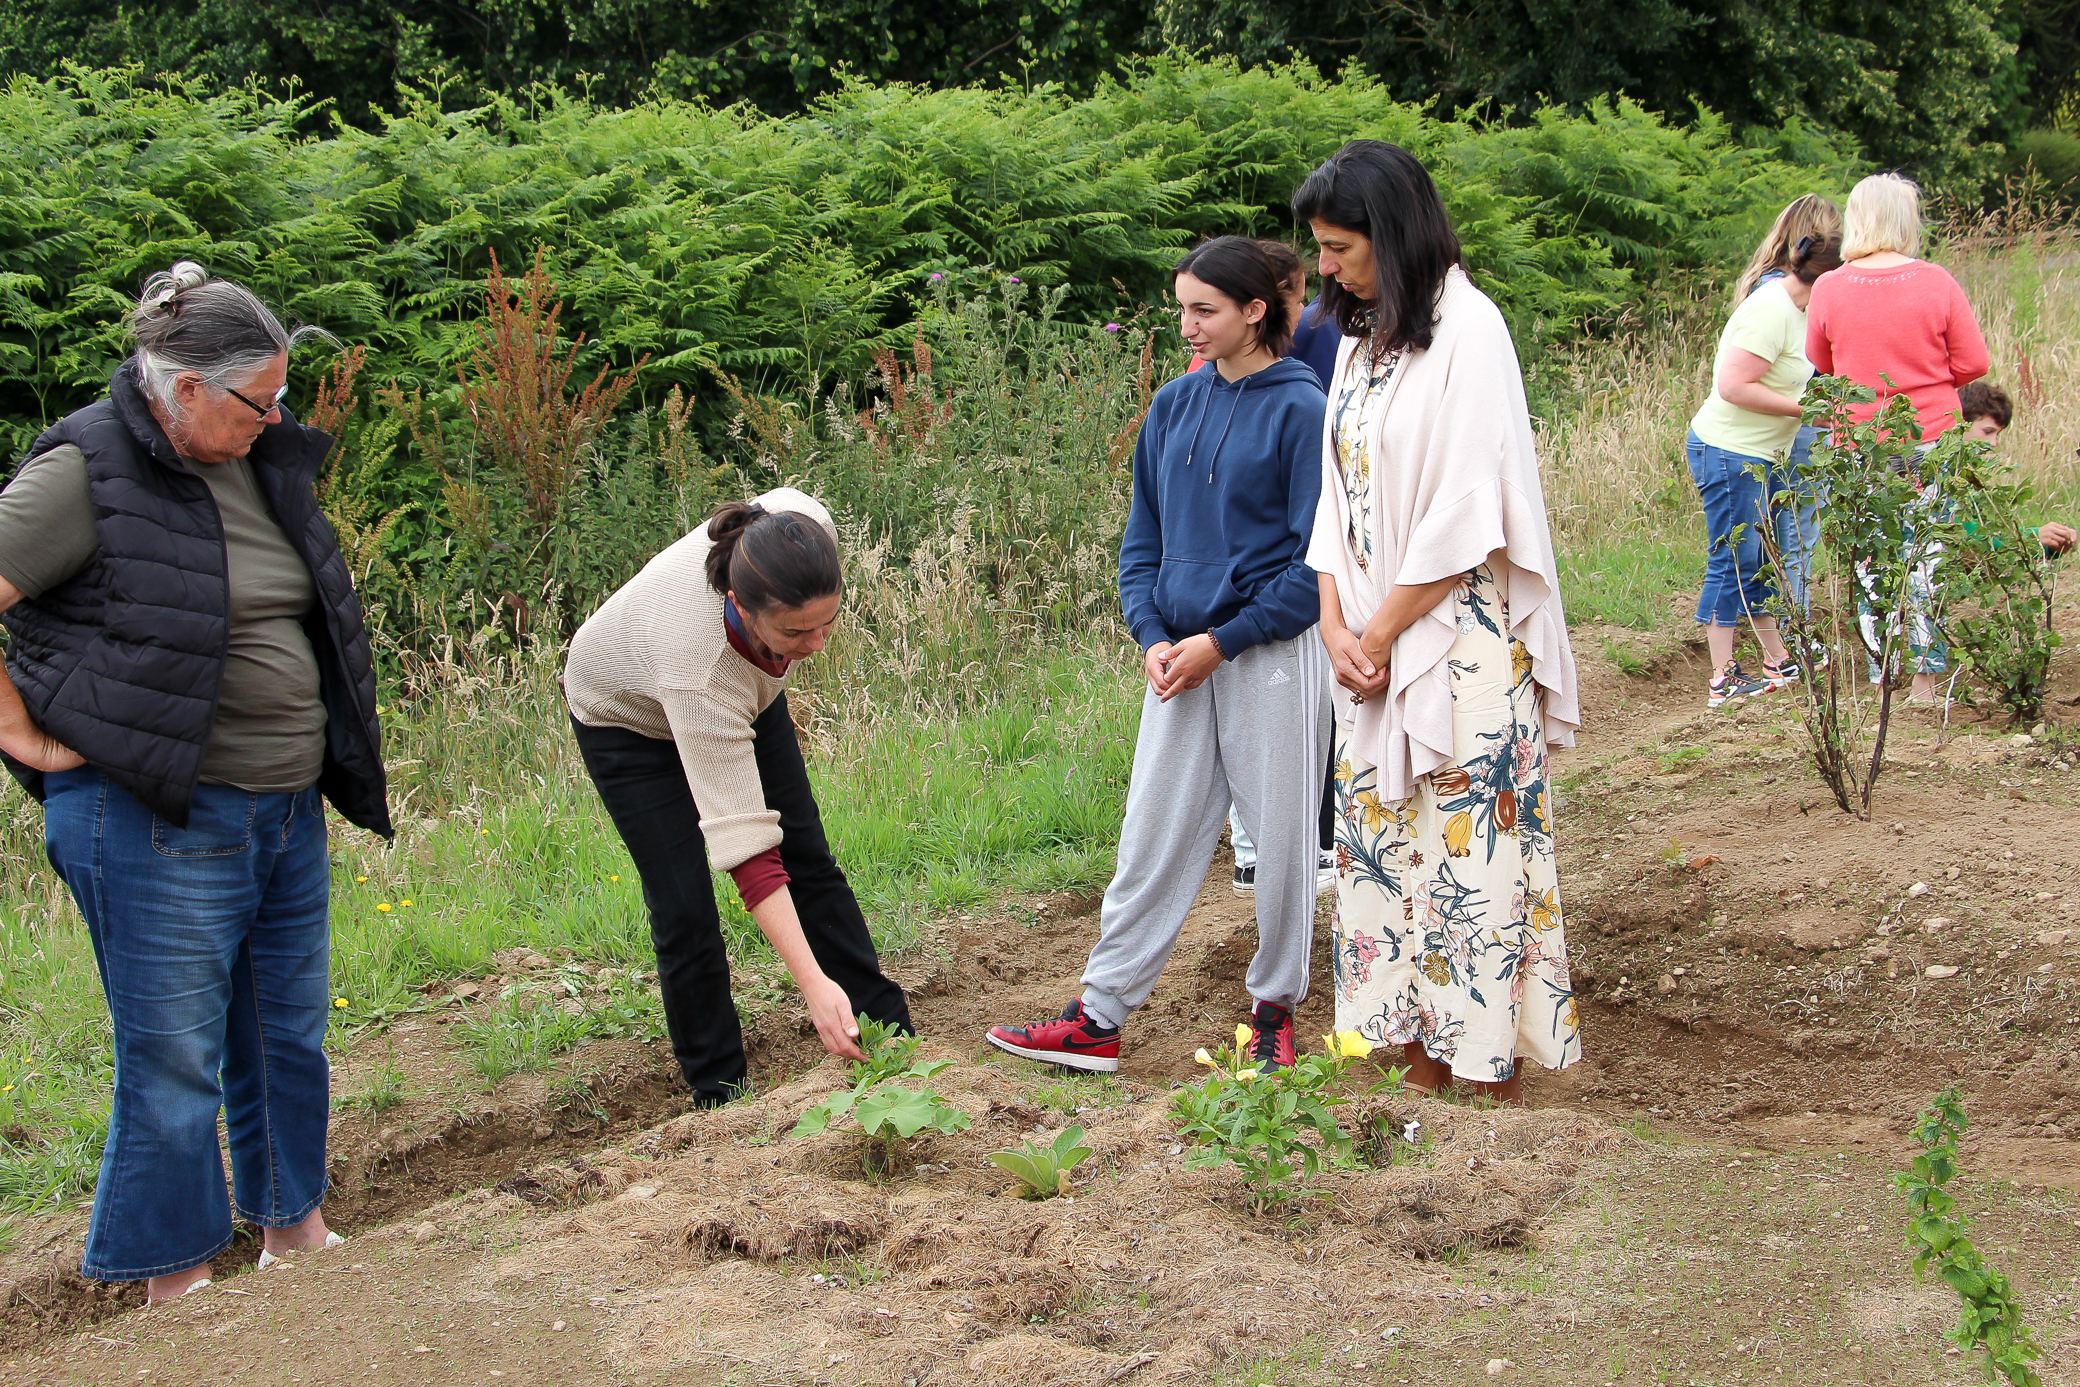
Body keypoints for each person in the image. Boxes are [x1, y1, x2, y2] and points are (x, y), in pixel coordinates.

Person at [0, 262, 390, 1300]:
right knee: (172, 1058)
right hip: (153, 814)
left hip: (280, 806)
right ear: (182, 389)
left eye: (281, 398)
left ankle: (292, 1229)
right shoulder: (85, 468)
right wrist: (20, 731)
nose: (277, 417)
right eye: (259, 400)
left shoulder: (254, 459)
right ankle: (172, 1284)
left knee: (285, 1029)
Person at [985, 236, 1329, 1075]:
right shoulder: (1173, 406)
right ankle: (1098, 1016)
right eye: (1181, 307)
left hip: (1270, 654)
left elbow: (1315, 565)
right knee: (1150, 836)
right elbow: (1141, 542)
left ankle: (1275, 1013)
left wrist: (1225, 640)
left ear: (1256, 310)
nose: (1186, 325)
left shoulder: (1305, 409)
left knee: (1282, 842)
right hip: (1179, 658)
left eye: (1203, 309)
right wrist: (1152, 635)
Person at [1293, 140, 1582, 1104]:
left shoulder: (1472, 330)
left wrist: (1378, 636)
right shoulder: (1357, 337)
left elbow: (1469, 509)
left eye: (1340, 247)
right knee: (1385, 856)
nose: (1325, 269)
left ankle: (1484, 1084)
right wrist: (1336, 623)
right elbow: (1333, 497)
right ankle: (1419, 1077)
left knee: (1471, 867)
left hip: (1456, 648)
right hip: (1369, 647)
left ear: (1393, 231)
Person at [564, 492, 912, 1105]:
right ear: (741, 605)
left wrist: (788, 640)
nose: (817, 644)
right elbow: (746, 847)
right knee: (683, 906)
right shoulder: (699, 664)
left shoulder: (803, 531)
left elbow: (782, 849)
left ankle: (886, 1034)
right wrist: (811, 985)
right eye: (797, 632)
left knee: (808, 857)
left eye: (828, 623)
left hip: (742, 688)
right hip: (625, 720)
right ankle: (720, 1092)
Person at [1190, 240, 1339, 897]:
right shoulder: (1196, 392)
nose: (1304, 306)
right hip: (1250, 600)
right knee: (1276, 739)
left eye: (1201, 308)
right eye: (1297, 295)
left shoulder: (1291, 381)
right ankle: (1286, 850)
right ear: (1266, 303)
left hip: (1269, 598)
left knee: (1272, 736)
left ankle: (1277, 855)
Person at [1807, 173, 1990, 705]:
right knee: (1926, 551)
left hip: (1859, 444)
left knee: (1870, 556)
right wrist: (1929, 377)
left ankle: (1882, 673)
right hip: (1930, 436)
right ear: (1907, 220)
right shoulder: (1937, 281)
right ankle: (1928, 681)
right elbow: (1974, 361)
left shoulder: (1829, 287)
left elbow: (1822, 364)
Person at [1685, 233, 1844, 707]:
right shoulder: (1771, 310)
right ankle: (1721, 676)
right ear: (1828, 279)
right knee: (1733, 559)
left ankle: (1777, 659)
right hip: (1729, 451)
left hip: (1762, 454)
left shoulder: (1802, 311)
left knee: (1762, 558)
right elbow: (1733, 385)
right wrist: (1805, 411)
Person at [1737, 195, 1844, 616]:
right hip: (1798, 420)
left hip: (1774, 422)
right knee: (1797, 533)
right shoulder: (1787, 292)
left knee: (1783, 530)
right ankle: (1792, 629)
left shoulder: (1762, 281)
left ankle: (1778, 624)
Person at [1958, 382, 2078, 556]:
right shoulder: (1941, 472)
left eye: (1997, 434)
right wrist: (2033, 536)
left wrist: (2050, 546)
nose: (1993, 443)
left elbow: (1993, 539)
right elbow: (1968, 537)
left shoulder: (1968, 474)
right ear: (1960, 423)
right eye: (1987, 431)